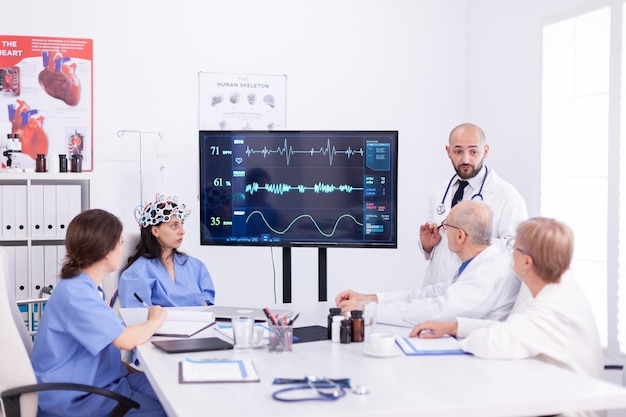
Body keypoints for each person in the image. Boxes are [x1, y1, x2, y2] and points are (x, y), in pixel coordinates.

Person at [410, 217, 603, 380]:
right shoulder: (555, 288)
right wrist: (453, 327)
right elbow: (510, 328)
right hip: (547, 390)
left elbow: (491, 342)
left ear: (527, 262)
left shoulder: (552, 308)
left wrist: (460, 337)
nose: (510, 253)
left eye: (514, 247)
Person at [31, 209, 168, 417]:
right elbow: (125, 341)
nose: (122, 249)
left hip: (106, 379)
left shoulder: (87, 287)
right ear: (106, 251)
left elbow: (101, 348)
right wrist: (155, 319)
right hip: (76, 397)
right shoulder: (76, 293)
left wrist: (132, 371)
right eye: (120, 243)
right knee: (169, 410)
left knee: (169, 389)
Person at [336, 200, 520, 326]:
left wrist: (366, 310)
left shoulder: (486, 274)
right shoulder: (479, 264)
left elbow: (437, 311)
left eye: (447, 225)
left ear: (460, 236)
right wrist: (368, 298)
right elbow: (431, 293)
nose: (443, 230)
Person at [419, 123, 528, 296]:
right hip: (434, 290)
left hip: (476, 294)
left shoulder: (507, 196)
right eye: (458, 151)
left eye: (473, 151)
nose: (466, 159)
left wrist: (475, 240)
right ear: (448, 151)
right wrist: (427, 245)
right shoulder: (439, 191)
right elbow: (435, 251)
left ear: (485, 151)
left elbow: (517, 249)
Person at [118, 194, 215, 308]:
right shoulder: (136, 274)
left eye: (181, 224)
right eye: (174, 226)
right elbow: (136, 318)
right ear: (155, 231)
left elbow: (208, 308)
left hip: (201, 325)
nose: (182, 231)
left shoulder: (196, 267)